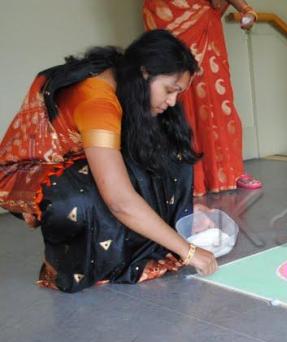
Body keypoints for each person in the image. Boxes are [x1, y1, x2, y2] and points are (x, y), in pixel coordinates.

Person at [0, 30, 218, 293]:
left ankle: (152, 240)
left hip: (81, 156)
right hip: (31, 172)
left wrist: (187, 207)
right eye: (169, 90)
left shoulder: (126, 79)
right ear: (145, 73)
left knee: (171, 152)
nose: (172, 101)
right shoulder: (97, 102)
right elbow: (119, 200)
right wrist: (189, 252)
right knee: (83, 196)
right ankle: (91, 263)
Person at [143, 0, 263, 196]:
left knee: (215, 93)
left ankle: (230, 170)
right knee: (169, 95)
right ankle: (182, 177)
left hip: (202, 18)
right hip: (164, 14)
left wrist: (244, 8)